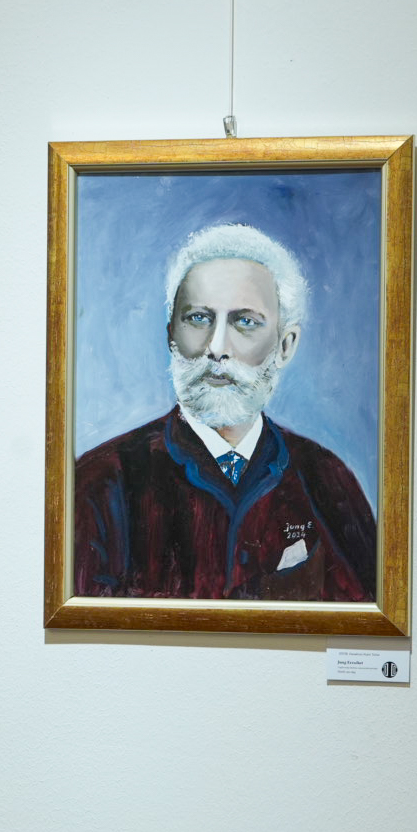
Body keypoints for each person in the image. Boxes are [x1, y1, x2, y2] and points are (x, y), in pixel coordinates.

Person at [73, 224, 377, 601]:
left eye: (245, 321)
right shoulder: (101, 482)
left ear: (285, 345)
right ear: (171, 334)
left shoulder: (327, 480)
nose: (217, 347)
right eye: (198, 318)